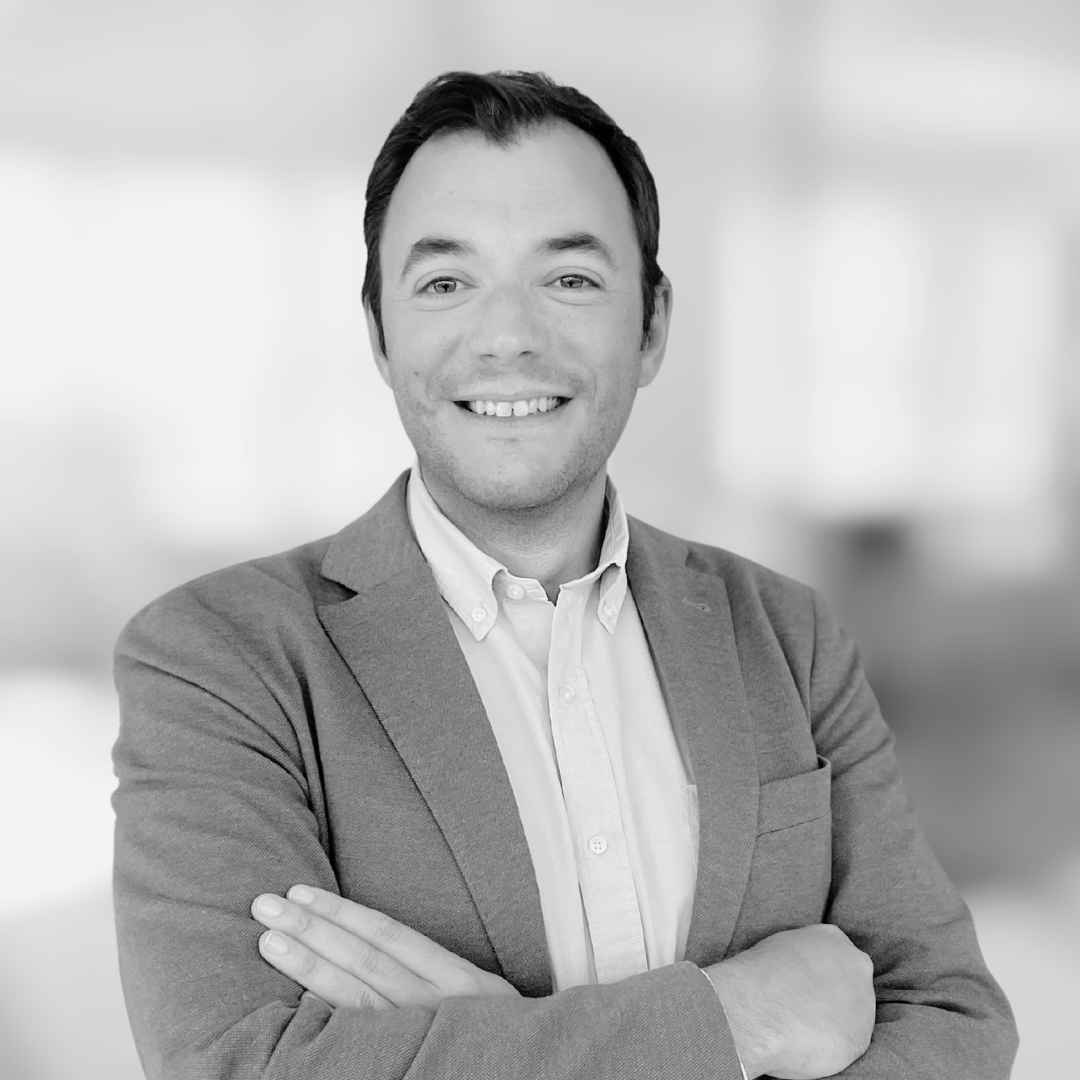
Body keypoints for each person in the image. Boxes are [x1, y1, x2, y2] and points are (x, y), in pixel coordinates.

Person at [111, 70, 1017, 1080]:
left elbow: (956, 1024)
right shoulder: (220, 659)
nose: (507, 337)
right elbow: (241, 1064)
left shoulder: (786, 635)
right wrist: (738, 1022)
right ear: (378, 334)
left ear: (653, 326)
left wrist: (488, 1045)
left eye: (571, 279)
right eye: (445, 283)